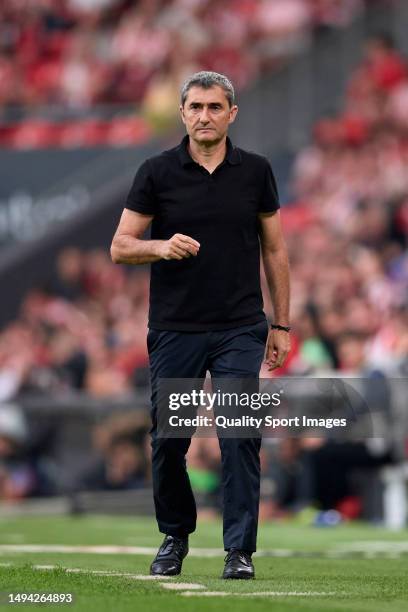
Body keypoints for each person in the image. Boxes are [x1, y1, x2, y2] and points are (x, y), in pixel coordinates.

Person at [110, 71, 290, 579]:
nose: (205, 116)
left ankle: (239, 551)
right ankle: (175, 536)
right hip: (175, 329)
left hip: (240, 328)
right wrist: (160, 247)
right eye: (196, 107)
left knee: (240, 436)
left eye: (215, 107)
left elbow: (275, 249)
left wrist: (282, 324)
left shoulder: (256, 171)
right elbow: (120, 245)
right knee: (170, 442)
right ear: (183, 114)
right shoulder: (156, 171)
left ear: (232, 113)